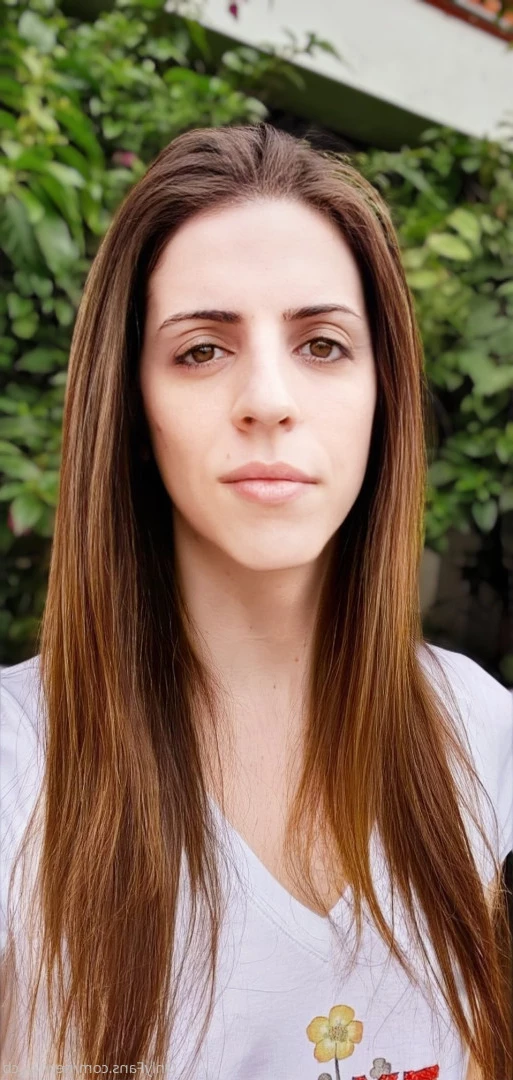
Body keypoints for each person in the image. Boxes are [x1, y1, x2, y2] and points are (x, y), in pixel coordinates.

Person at [0, 122, 511, 1080]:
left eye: (322, 344)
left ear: (383, 394)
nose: (267, 398)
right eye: (201, 350)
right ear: (131, 402)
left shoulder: (482, 740)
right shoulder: (18, 769)